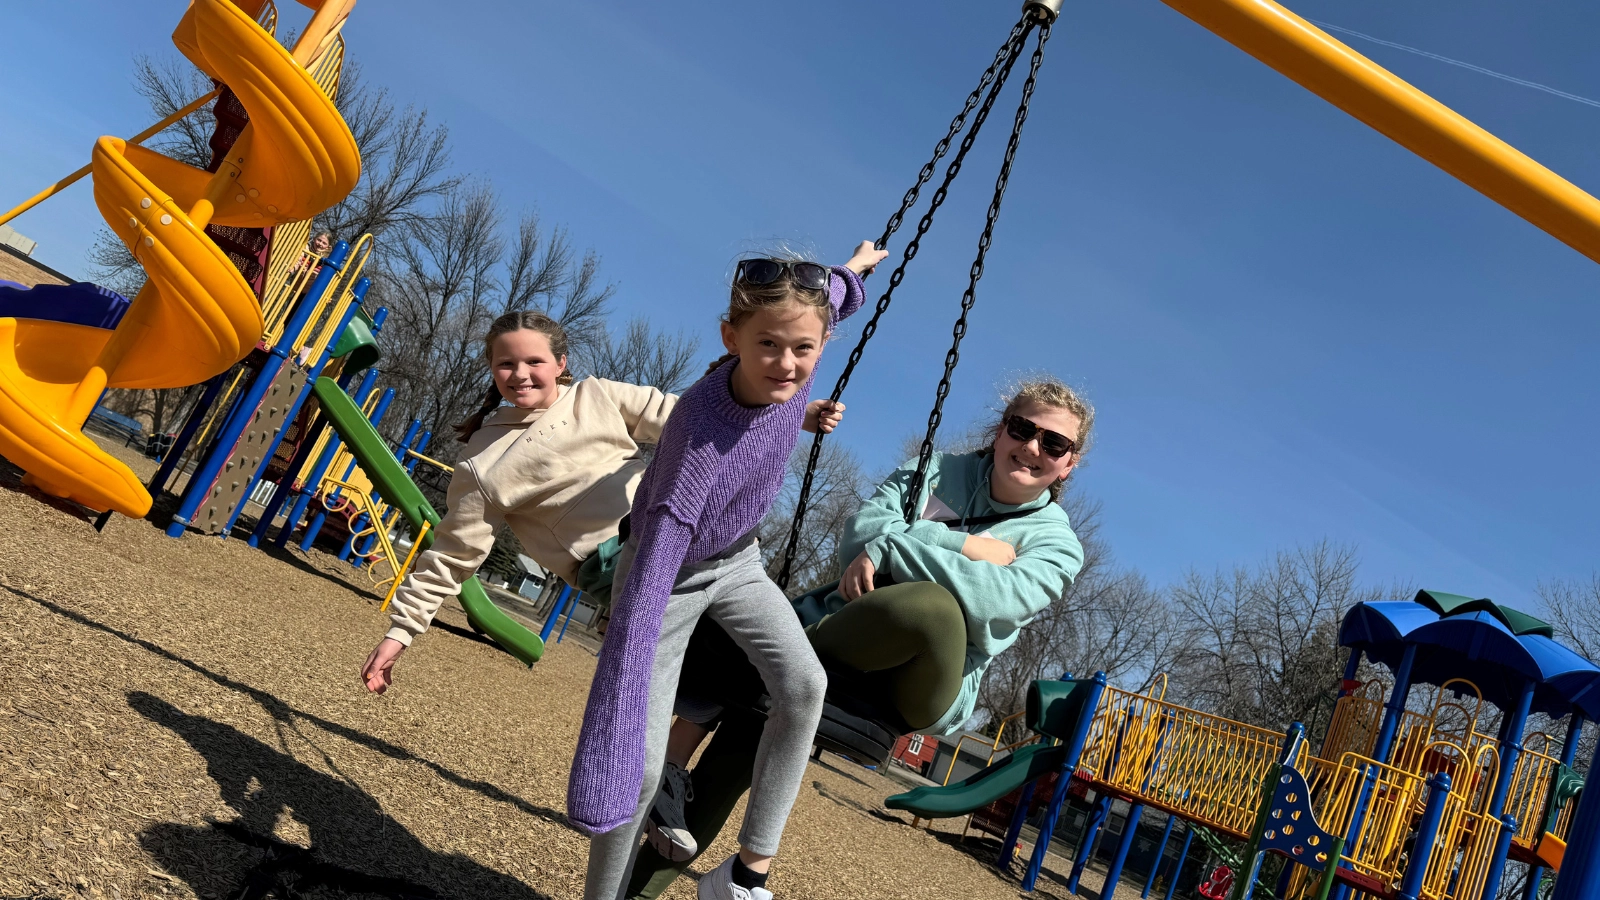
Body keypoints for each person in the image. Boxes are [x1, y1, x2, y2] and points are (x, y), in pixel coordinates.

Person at [626, 378, 1093, 900]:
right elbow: (858, 536)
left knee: (932, 609)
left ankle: (752, 674)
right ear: (1000, 429)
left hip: (925, 677)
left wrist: (894, 549)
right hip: (846, 627)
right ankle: (674, 886)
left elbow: (994, 601)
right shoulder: (938, 470)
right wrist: (963, 548)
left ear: (1069, 463)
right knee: (753, 725)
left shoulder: (1057, 543)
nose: (1032, 447)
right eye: (1022, 428)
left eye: (1053, 443)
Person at [571, 242, 886, 900]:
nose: (788, 363)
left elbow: (835, 295)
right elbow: (654, 569)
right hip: (667, 573)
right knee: (638, 763)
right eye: (769, 346)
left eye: (804, 349)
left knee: (804, 686)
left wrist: (854, 268)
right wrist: (622, 698)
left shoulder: (793, 366)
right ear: (731, 337)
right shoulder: (698, 440)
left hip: (737, 561)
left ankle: (745, 877)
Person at [359, 309, 681, 692]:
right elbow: (453, 552)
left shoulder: (597, 396)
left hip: (667, 520)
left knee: (737, 672)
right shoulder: (485, 457)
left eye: (534, 361)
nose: (521, 374)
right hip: (613, 558)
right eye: (506, 364)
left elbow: (683, 418)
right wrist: (401, 631)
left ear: (561, 363)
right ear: (492, 369)